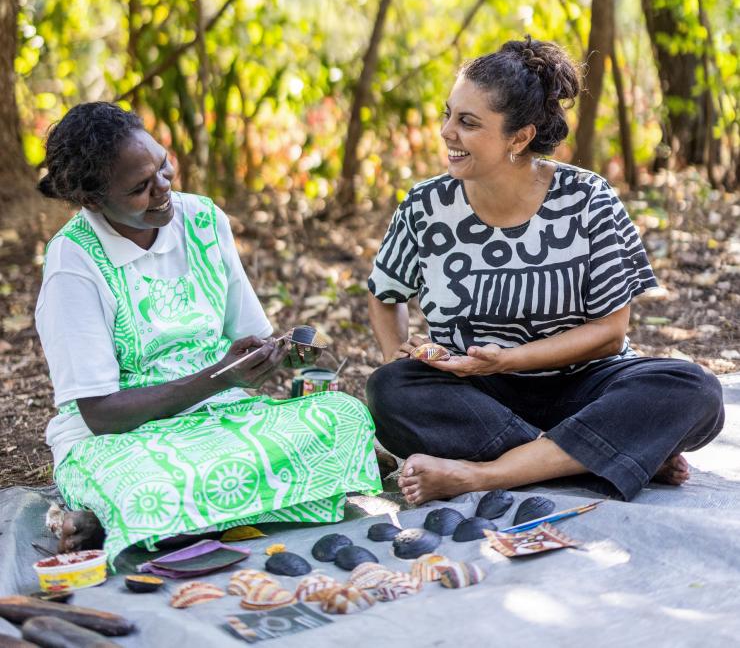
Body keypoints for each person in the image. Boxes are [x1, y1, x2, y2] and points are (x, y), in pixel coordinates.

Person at [366, 37, 724, 505]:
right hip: (478, 395)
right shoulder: (426, 205)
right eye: (448, 114)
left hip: (588, 384)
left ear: (520, 137)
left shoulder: (587, 199)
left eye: (468, 122)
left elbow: (610, 334)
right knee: (390, 389)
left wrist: (508, 358)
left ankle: (484, 474)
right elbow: (385, 292)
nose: (447, 131)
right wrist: (400, 354)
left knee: (695, 390)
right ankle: (601, 452)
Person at [36, 102, 381, 563]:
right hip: (122, 442)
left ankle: (151, 522)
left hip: (223, 421)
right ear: (95, 201)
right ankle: (150, 510)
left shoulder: (202, 219)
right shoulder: (73, 262)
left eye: (163, 166)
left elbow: (246, 335)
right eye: (140, 187)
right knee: (147, 489)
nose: (163, 189)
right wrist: (220, 377)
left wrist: (265, 359)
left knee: (344, 418)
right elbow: (101, 413)